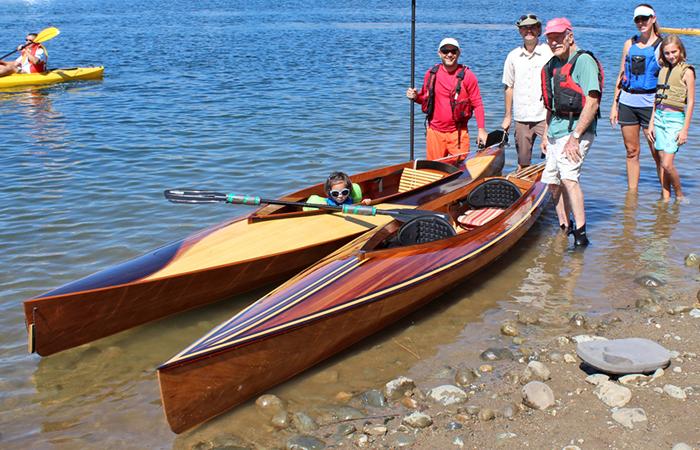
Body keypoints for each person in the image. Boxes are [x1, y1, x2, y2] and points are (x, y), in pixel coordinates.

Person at [540, 18, 603, 247]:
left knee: (568, 177)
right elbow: (551, 104)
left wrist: (575, 138)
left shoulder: (584, 61)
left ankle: (581, 234)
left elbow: (592, 102)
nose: (554, 41)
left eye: (558, 36)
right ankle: (564, 226)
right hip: (556, 128)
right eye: (550, 38)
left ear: (570, 36)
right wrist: (546, 135)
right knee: (552, 181)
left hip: (577, 129)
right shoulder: (551, 65)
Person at [609, 4, 663, 192]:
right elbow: (621, 74)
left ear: (653, 18)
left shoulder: (662, 46)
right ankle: (632, 196)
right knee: (632, 152)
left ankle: (666, 198)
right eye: (638, 20)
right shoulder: (629, 44)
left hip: (650, 105)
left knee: (659, 154)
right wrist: (614, 105)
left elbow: (668, 80)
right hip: (628, 103)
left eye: (645, 18)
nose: (641, 23)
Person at [406, 37, 488, 160]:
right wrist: (415, 96)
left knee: (461, 173)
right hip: (435, 133)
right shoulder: (431, 74)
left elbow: (477, 104)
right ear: (439, 53)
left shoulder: (468, 76)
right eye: (445, 51)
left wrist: (481, 130)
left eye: (453, 51)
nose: (449, 55)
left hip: (458, 134)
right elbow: (424, 100)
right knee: (434, 172)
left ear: (458, 53)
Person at [501, 13, 553, 169]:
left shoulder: (549, 52)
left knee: (553, 159)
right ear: (519, 31)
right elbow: (509, 87)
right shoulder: (513, 56)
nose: (529, 31)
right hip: (522, 117)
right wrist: (508, 116)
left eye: (533, 27)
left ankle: (551, 190)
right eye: (525, 28)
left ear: (539, 30)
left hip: (545, 116)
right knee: (523, 163)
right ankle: (526, 188)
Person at [648, 35, 695, 201]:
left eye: (674, 52)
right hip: (659, 118)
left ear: (681, 50)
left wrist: (685, 130)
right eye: (667, 53)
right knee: (661, 162)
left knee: (667, 164)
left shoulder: (687, 71)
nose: (671, 56)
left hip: (675, 120)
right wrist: (652, 123)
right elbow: (657, 99)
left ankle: (680, 194)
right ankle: (666, 199)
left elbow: (690, 103)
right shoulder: (663, 70)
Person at [306, 172, 371, 209]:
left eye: (344, 192)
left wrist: (365, 203)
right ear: (329, 192)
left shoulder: (351, 200)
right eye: (335, 193)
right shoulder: (326, 203)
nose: (340, 196)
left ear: (349, 191)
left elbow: (359, 207)